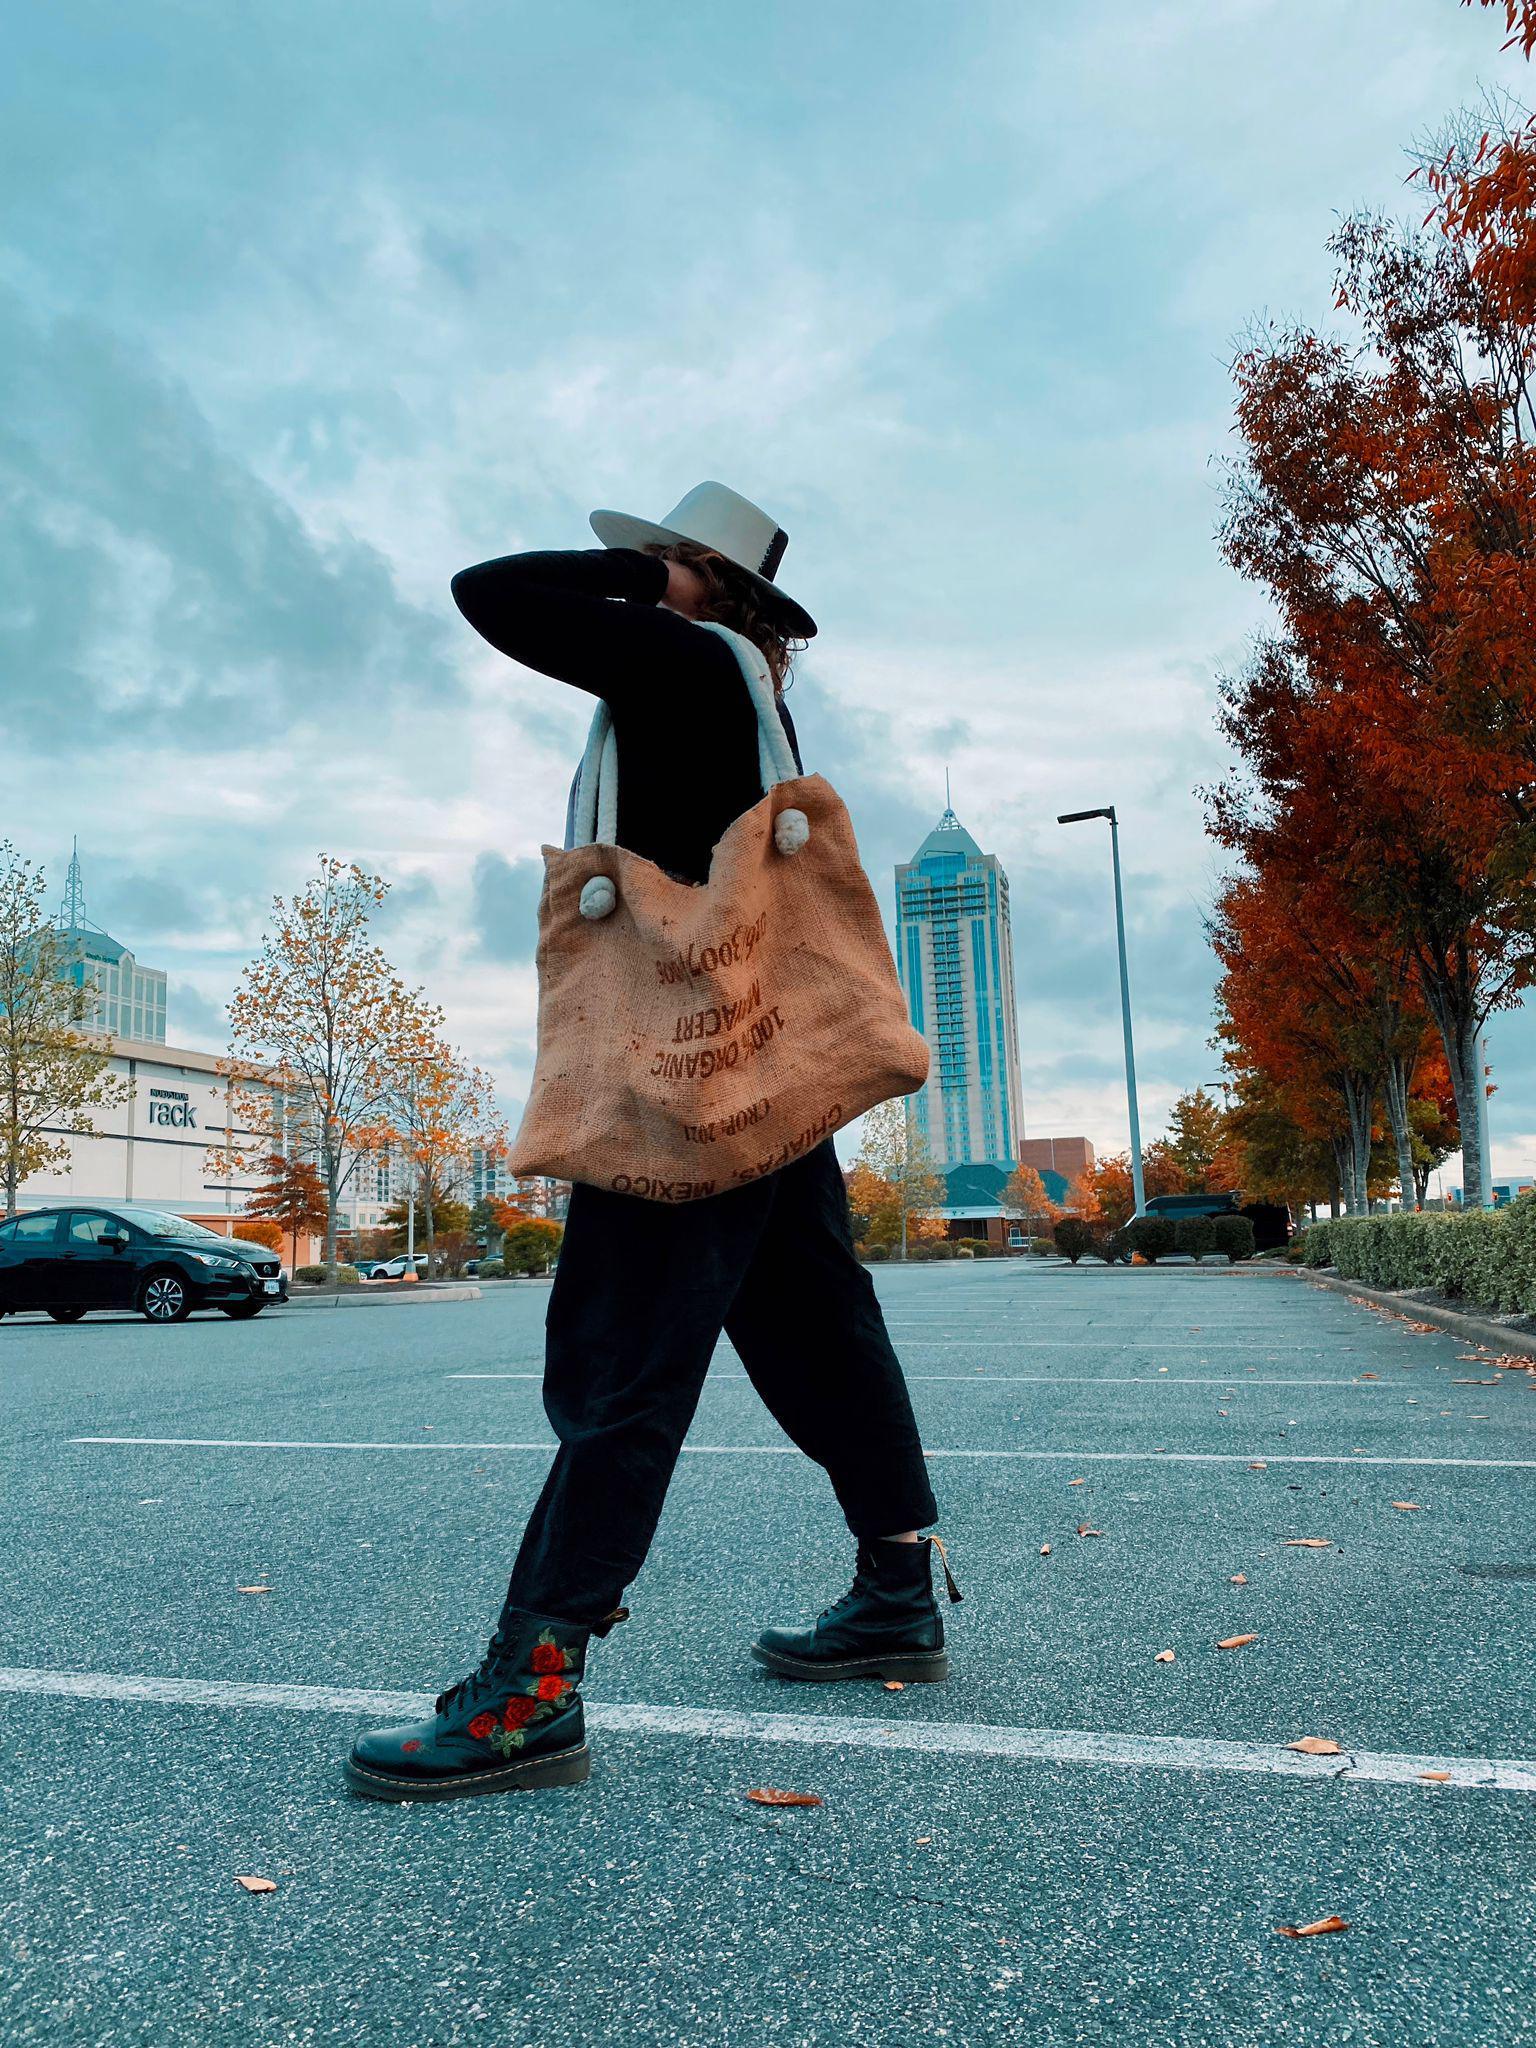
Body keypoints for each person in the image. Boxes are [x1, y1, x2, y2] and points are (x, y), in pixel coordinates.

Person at [346, 483, 958, 1804]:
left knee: (625, 1357)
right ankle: (900, 1584)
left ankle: (533, 1688)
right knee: (822, 1322)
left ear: (696, 579)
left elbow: (490, 595)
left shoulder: (681, 661)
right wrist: (663, 577)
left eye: (656, 561)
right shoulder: (738, 683)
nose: (624, 578)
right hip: (760, 1062)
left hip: (683, 1073)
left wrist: (637, 587)